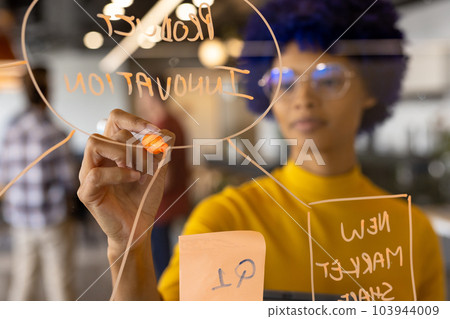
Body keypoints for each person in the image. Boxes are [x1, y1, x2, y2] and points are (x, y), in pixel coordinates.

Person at [77, 0, 445, 300]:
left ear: (371, 90)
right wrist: (129, 248)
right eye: (283, 82)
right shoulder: (227, 221)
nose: (303, 99)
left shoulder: (412, 230)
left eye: (327, 78)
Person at [0, 67, 77, 300]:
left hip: (20, 219)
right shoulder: (54, 133)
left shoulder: (11, 131)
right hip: (52, 220)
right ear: (48, 92)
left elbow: (4, 177)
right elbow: (71, 180)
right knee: (60, 287)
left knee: (22, 285)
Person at [134, 90, 190, 279]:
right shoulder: (175, 122)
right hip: (177, 205)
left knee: (164, 273)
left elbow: (167, 179)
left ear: (150, 95)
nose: (138, 98)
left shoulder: (160, 129)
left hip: (163, 209)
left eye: (141, 94)